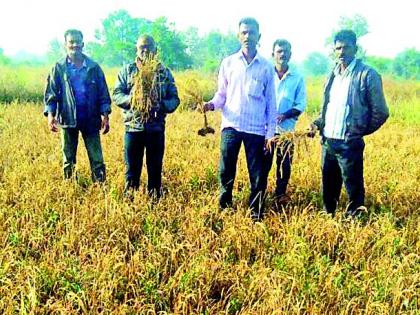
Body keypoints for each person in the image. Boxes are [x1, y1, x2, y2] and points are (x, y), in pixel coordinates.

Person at [309, 29, 389, 217]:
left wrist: (357, 131)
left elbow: (381, 112)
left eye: (346, 48)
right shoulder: (332, 75)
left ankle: (356, 222)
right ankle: (329, 218)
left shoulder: (367, 75)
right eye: (337, 48)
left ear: (356, 48)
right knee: (328, 186)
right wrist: (317, 123)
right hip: (328, 142)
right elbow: (326, 110)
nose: (341, 52)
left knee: (353, 187)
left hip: (349, 143)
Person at [203, 17, 277, 220]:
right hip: (231, 126)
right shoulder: (228, 63)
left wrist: (270, 134)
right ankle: (224, 206)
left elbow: (271, 103)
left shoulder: (266, 67)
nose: (247, 36)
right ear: (238, 36)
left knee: (258, 174)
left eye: (251, 32)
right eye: (244, 32)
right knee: (226, 169)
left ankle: (256, 212)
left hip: (256, 129)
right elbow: (221, 95)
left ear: (259, 36)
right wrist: (211, 104)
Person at [113, 35, 180, 199]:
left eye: (149, 47)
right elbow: (116, 95)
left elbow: (174, 99)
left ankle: (155, 203)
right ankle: (130, 203)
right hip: (133, 128)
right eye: (142, 47)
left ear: (155, 51)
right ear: (137, 49)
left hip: (156, 128)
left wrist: (161, 104)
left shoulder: (163, 73)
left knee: (155, 169)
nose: (145, 50)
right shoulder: (127, 71)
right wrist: (133, 100)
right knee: (132, 170)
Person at [44, 29, 111, 182]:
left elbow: (103, 94)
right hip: (68, 119)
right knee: (68, 160)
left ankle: (101, 188)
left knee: (97, 160)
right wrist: (50, 116)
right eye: (71, 42)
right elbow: (51, 94)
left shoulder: (94, 67)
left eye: (77, 42)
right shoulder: (59, 68)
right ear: (65, 45)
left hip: (91, 119)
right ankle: (70, 189)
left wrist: (105, 116)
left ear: (83, 43)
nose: (75, 45)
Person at [262, 39, 307, 208]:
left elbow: (301, 105)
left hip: (287, 132)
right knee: (263, 165)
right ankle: (260, 195)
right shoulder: (266, 74)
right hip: (266, 131)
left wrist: (284, 115)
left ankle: (280, 197)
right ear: (273, 54)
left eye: (286, 51)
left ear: (291, 54)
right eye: (279, 51)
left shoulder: (297, 78)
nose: (283, 54)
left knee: (284, 166)